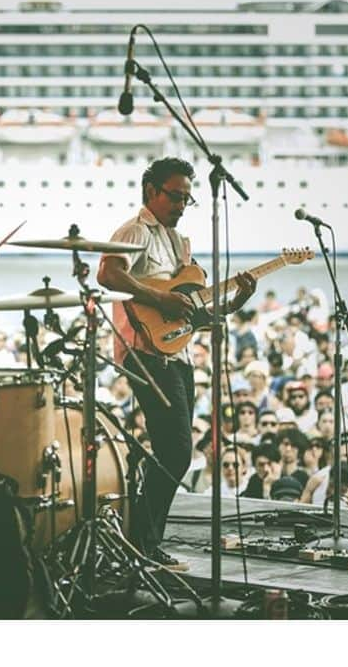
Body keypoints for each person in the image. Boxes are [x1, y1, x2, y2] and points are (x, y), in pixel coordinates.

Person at [97, 157, 257, 571]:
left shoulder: (179, 243)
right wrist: (157, 298)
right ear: (151, 190)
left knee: (174, 451)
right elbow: (109, 275)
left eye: (188, 198)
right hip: (145, 354)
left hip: (175, 353)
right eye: (175, 196)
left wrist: (236, 302)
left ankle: (143, 544)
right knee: (177, 452)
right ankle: (142, 545)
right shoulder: (134, 231)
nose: (182, 205)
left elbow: (191, 315)